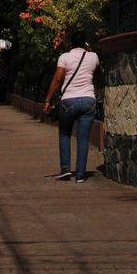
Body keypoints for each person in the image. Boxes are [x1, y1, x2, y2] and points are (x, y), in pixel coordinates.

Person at [42, 30, 100, 183]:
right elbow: (97, 69)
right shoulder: (93, 56)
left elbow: (58, 78)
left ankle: (66, 169)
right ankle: (80, 175)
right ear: (85, 44)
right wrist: (89, 49)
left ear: (71, 43)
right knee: (83, 138)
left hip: (69, 101)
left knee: (65, 134)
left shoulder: (65, 57)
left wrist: (47, 99)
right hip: (88, 100)